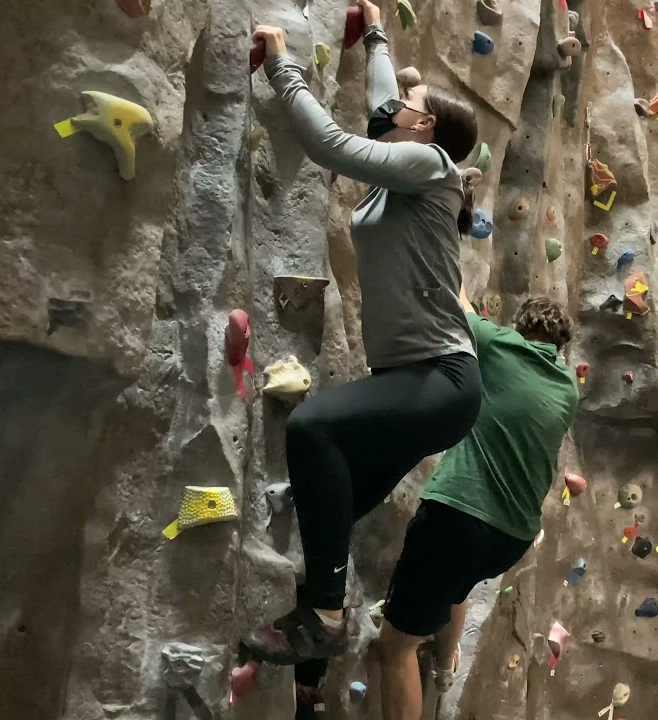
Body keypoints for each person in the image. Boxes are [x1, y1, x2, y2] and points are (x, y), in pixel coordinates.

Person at [243, 0, 485, 666]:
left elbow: (331, 144)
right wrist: (375, 31)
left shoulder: (428, 167)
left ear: (427, 127)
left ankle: (323, 615)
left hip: (441, 379)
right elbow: (384, 104)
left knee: (312, 429)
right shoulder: (401, 167)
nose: (395, 104)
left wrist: (283, 67)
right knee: (331, 505)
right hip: (417, 381)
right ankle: (309, 655)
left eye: (411, 103)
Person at [376, 287, 579, 720]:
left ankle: (418, 653)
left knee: (395, 647)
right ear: (560, 347)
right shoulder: (567, 388)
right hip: (511, 537)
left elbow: (456, 301)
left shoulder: (499, 346)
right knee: (457, 585)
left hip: (458, 516)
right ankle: (446, 667)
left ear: (520, 329)